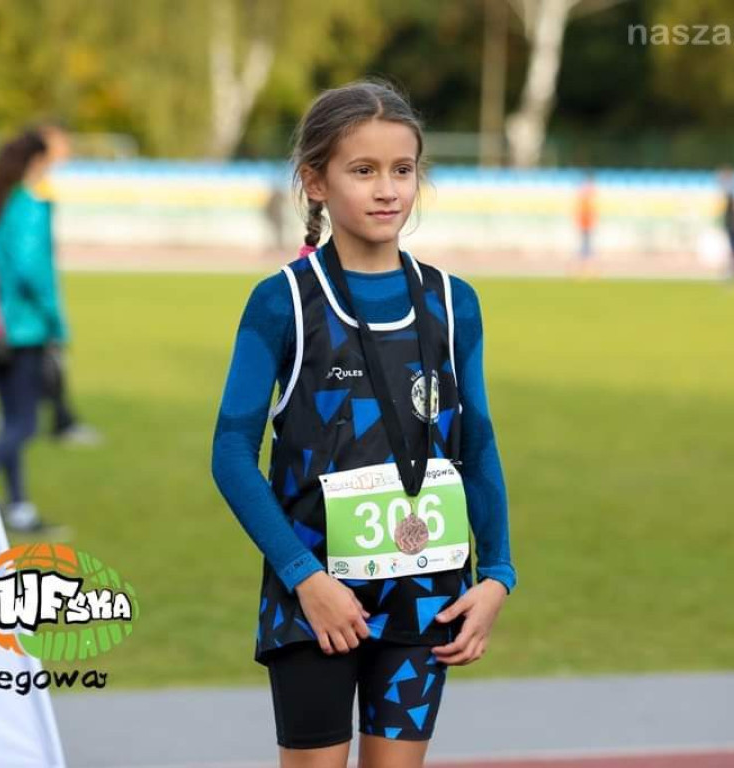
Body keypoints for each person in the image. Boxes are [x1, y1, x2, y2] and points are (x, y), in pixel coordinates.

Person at [211, 80, 516, 768]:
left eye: (403, 171)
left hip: (428, 597)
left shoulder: (451, 302)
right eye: (363, 170)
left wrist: (495, 573)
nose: (388, 190)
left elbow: (478, 443)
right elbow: (231, 453)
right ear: (315, 182)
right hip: (316, 598)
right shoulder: (282, 302)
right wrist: (303, 579)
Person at [0, 131, 68, 535]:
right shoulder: (29, 205)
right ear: (36, 162)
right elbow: (34, 270)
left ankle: (17, 506)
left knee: (11, 419)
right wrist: (55, 321)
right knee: (25, 424)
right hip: (24, 327)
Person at [34, 121, 102, 446]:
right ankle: (62, 423)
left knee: (34, 363)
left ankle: (62, 420)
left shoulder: (38, 186)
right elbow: (28, 257)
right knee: (45, 360)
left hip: (33, 296)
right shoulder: (31, 191)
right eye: (61, 143)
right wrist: (48, 303)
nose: (66, 151)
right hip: (31, 301)